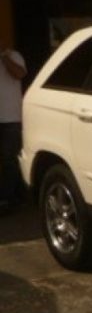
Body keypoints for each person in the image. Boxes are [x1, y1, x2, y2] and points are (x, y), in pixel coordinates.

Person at [0, 41, 27, 212]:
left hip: (11, 118)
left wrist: (4, 57)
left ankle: (7, 199)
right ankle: (17, 195)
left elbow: (20, 74)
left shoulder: (14, 55)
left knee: (9, 159)